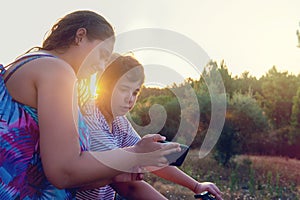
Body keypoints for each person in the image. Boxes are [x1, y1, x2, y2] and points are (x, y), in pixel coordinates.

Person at [0, 10, 180, 199]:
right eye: (102, 54)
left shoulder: (28, 64)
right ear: (80, 36)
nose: (102, 67)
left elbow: (39, 165)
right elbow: (63, 171)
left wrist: (110, 172)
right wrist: (136, 154)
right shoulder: (58, 71)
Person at [77, 54, 223, 200]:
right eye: (123, 89)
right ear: (105, 86)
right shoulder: (91, 118)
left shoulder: (119, 121)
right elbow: (129, 186)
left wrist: (196, 186)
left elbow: (148, 158)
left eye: (135, 92)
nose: (130, 99)